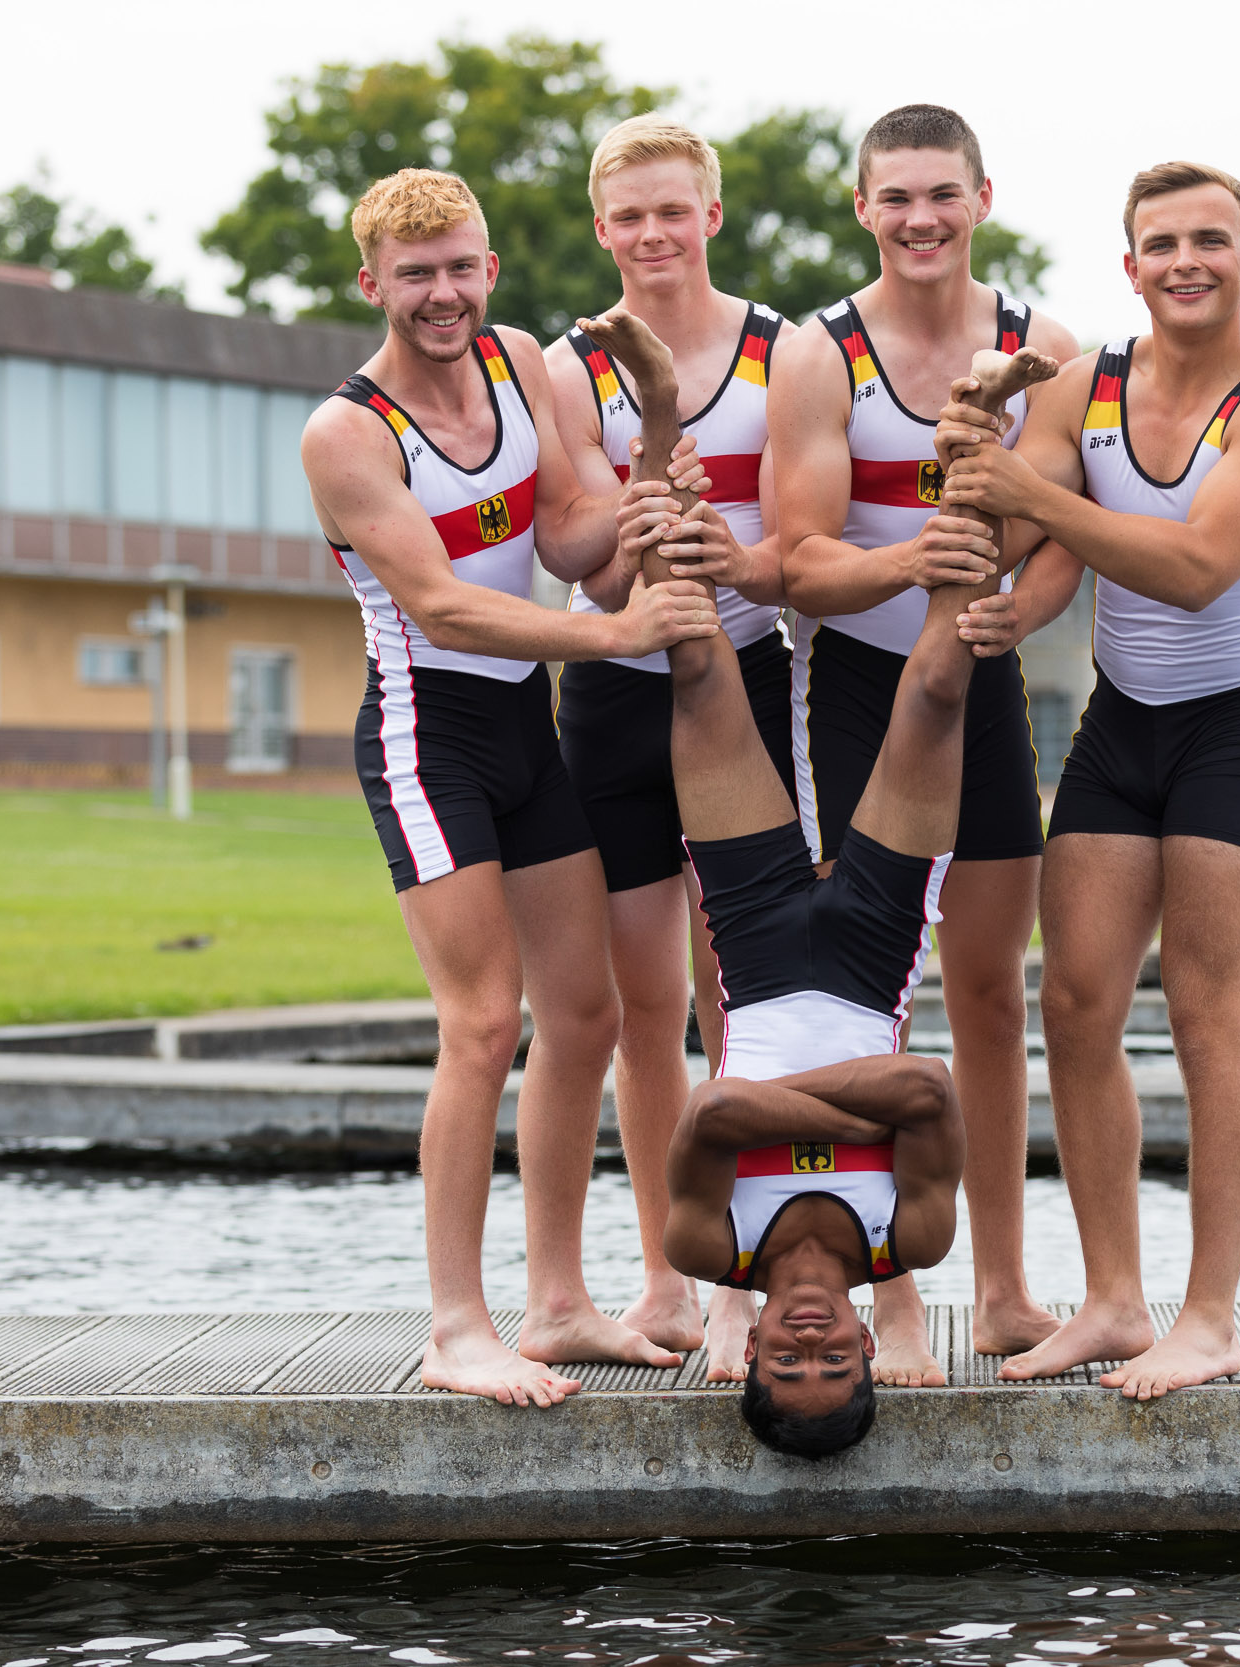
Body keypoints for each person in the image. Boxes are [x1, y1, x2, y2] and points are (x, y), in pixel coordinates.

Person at [300, 167, 722, 1407]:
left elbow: (571, 541)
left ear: (491, 268)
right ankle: (453, 1324)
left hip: (523, 733)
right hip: (427, 739)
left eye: (463, 267)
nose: (444, 294)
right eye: (415, 274)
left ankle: (556, 1301)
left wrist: (650, 435)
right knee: (482, 1024)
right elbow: (440, 603)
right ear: (371, 283)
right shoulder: (349, 431)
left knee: (583, 1017)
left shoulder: (521, 361)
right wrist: (619, 637)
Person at [931, 161, 1240, 1400]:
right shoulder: (1085, 384)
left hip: (1229, 728)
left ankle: (1206, 1317)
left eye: (1211, 240)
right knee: (1077, 1005)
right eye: (1161, 243)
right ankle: (1113, 1299)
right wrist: (973, 482)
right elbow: (1032, 540)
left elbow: (1199, 567)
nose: (1186, 261)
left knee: (1207, 1017)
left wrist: (1026, 489)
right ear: (1130, 264)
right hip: (1120, 724)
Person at [648, 318, 1060, 1454]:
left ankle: (652, 423)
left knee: (698, 664)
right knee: (940, 677)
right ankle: (973, 418)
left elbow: (718, 1107)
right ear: (872, 1347)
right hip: (878, 943)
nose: (813, 1337)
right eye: (832, 1357)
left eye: (792, 1357)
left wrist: (842, 1103)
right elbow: (931, 1088)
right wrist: (863, 1098)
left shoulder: (707, 1246)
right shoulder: (909, 1237)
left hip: (759, 941)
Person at [765, 102, 1079, 1379]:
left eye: (940, 194)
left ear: (982, 197)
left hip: (984, 689)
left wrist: (1016, 607)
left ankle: (1002, 1288)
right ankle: (887, 1298)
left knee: (992, 995)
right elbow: (798, 560)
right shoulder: (816, 353)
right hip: (860, 694)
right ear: (862, 208)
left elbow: (1064, 535)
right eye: (895, 198)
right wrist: (918, 555)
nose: (919, 219)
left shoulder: (1045, 349)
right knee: (862, 1009)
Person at [541, 115, 796, 1361]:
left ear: (709, 215)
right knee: (646, 1009)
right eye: (627, 215)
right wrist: (648, 457)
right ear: (603, 230)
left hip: (741, 683)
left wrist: (721, 536)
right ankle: (664, 1276)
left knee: (737, 999)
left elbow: (799, 548)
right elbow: (592, 585)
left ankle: (744, 1272)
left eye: (671, 210)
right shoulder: (563, 363)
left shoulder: (782, 350)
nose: (651, 233)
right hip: (614, 692)